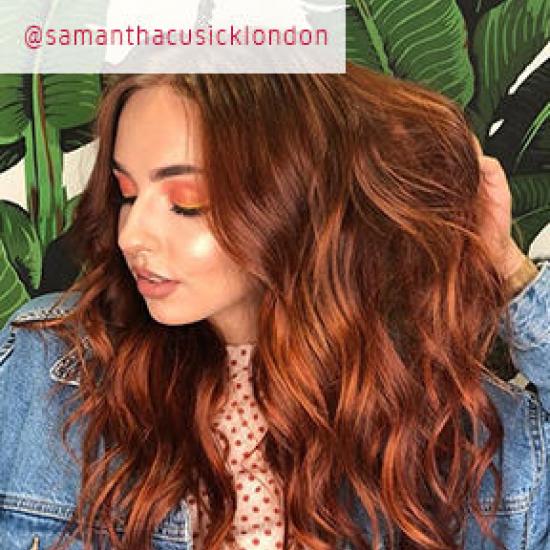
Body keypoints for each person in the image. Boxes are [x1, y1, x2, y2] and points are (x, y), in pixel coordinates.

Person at [0, 64, 548, 550]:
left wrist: (507, 267)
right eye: (126, 194)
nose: (132, 235)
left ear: (289, 202)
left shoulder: (447, 426)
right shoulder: (44, 369)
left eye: (185, 203)